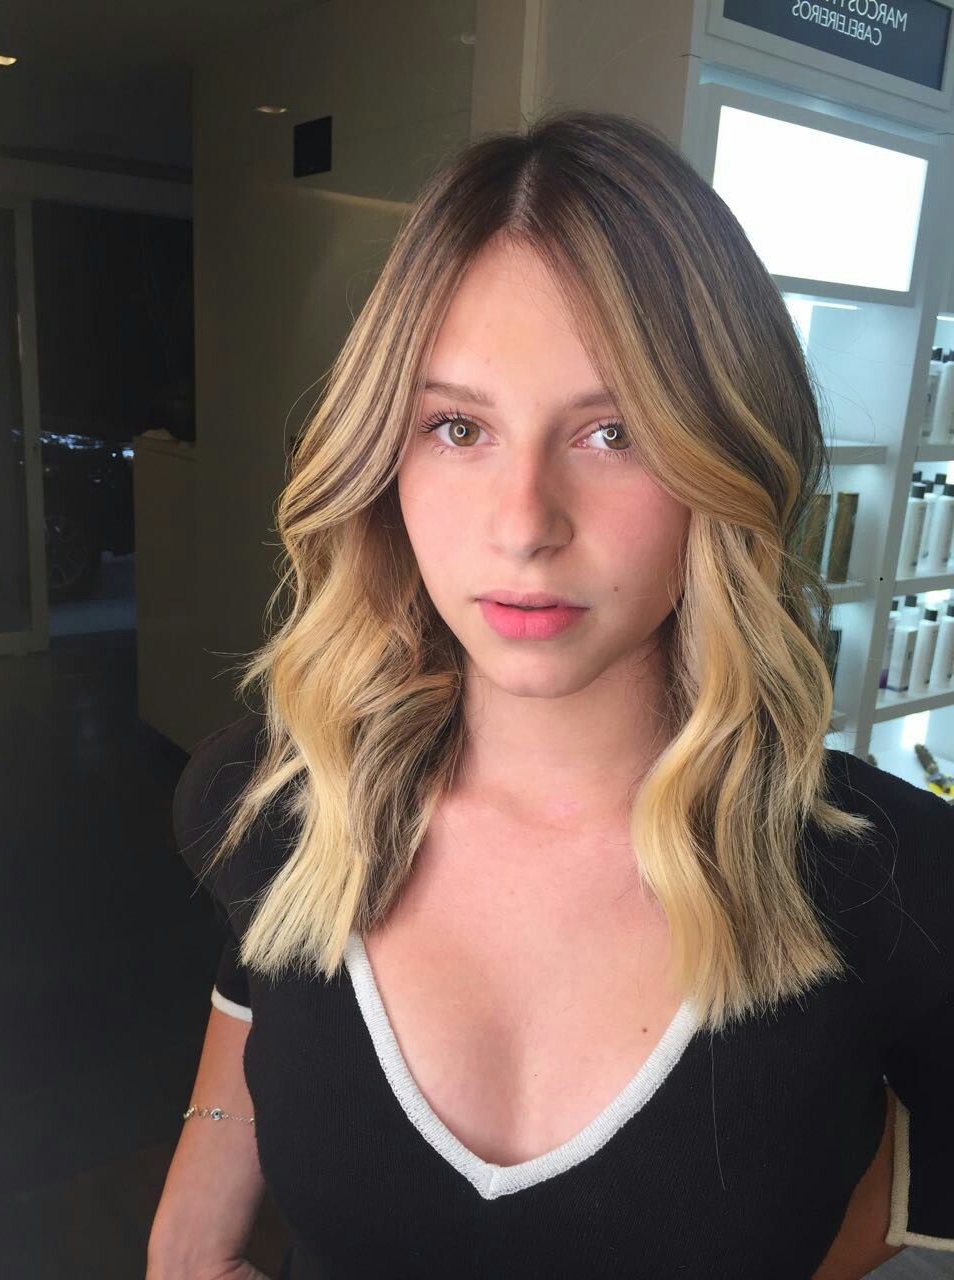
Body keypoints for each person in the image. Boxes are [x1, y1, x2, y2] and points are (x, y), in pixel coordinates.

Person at [147, 109, 954, 1280]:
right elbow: (258, 978)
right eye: (458, 426)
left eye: (614, 431)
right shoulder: (272, 796)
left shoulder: (899, 880)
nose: (525, 522)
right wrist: (186, 1240)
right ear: (383, 458)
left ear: (725, 462)